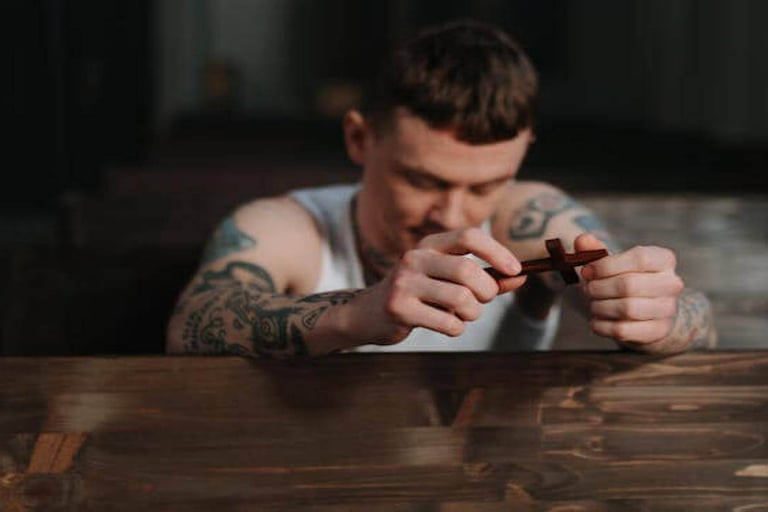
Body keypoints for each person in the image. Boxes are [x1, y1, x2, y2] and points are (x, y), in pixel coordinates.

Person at [166, 20, 716, 359]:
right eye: (420, 180)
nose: (451, 213)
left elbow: (694, 321)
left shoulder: (525, 218)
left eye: (486, 184)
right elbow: (194, 322)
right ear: (359, 138)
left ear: (523, 150)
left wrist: (653, 317)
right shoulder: (289, 227)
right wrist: (356, 314)